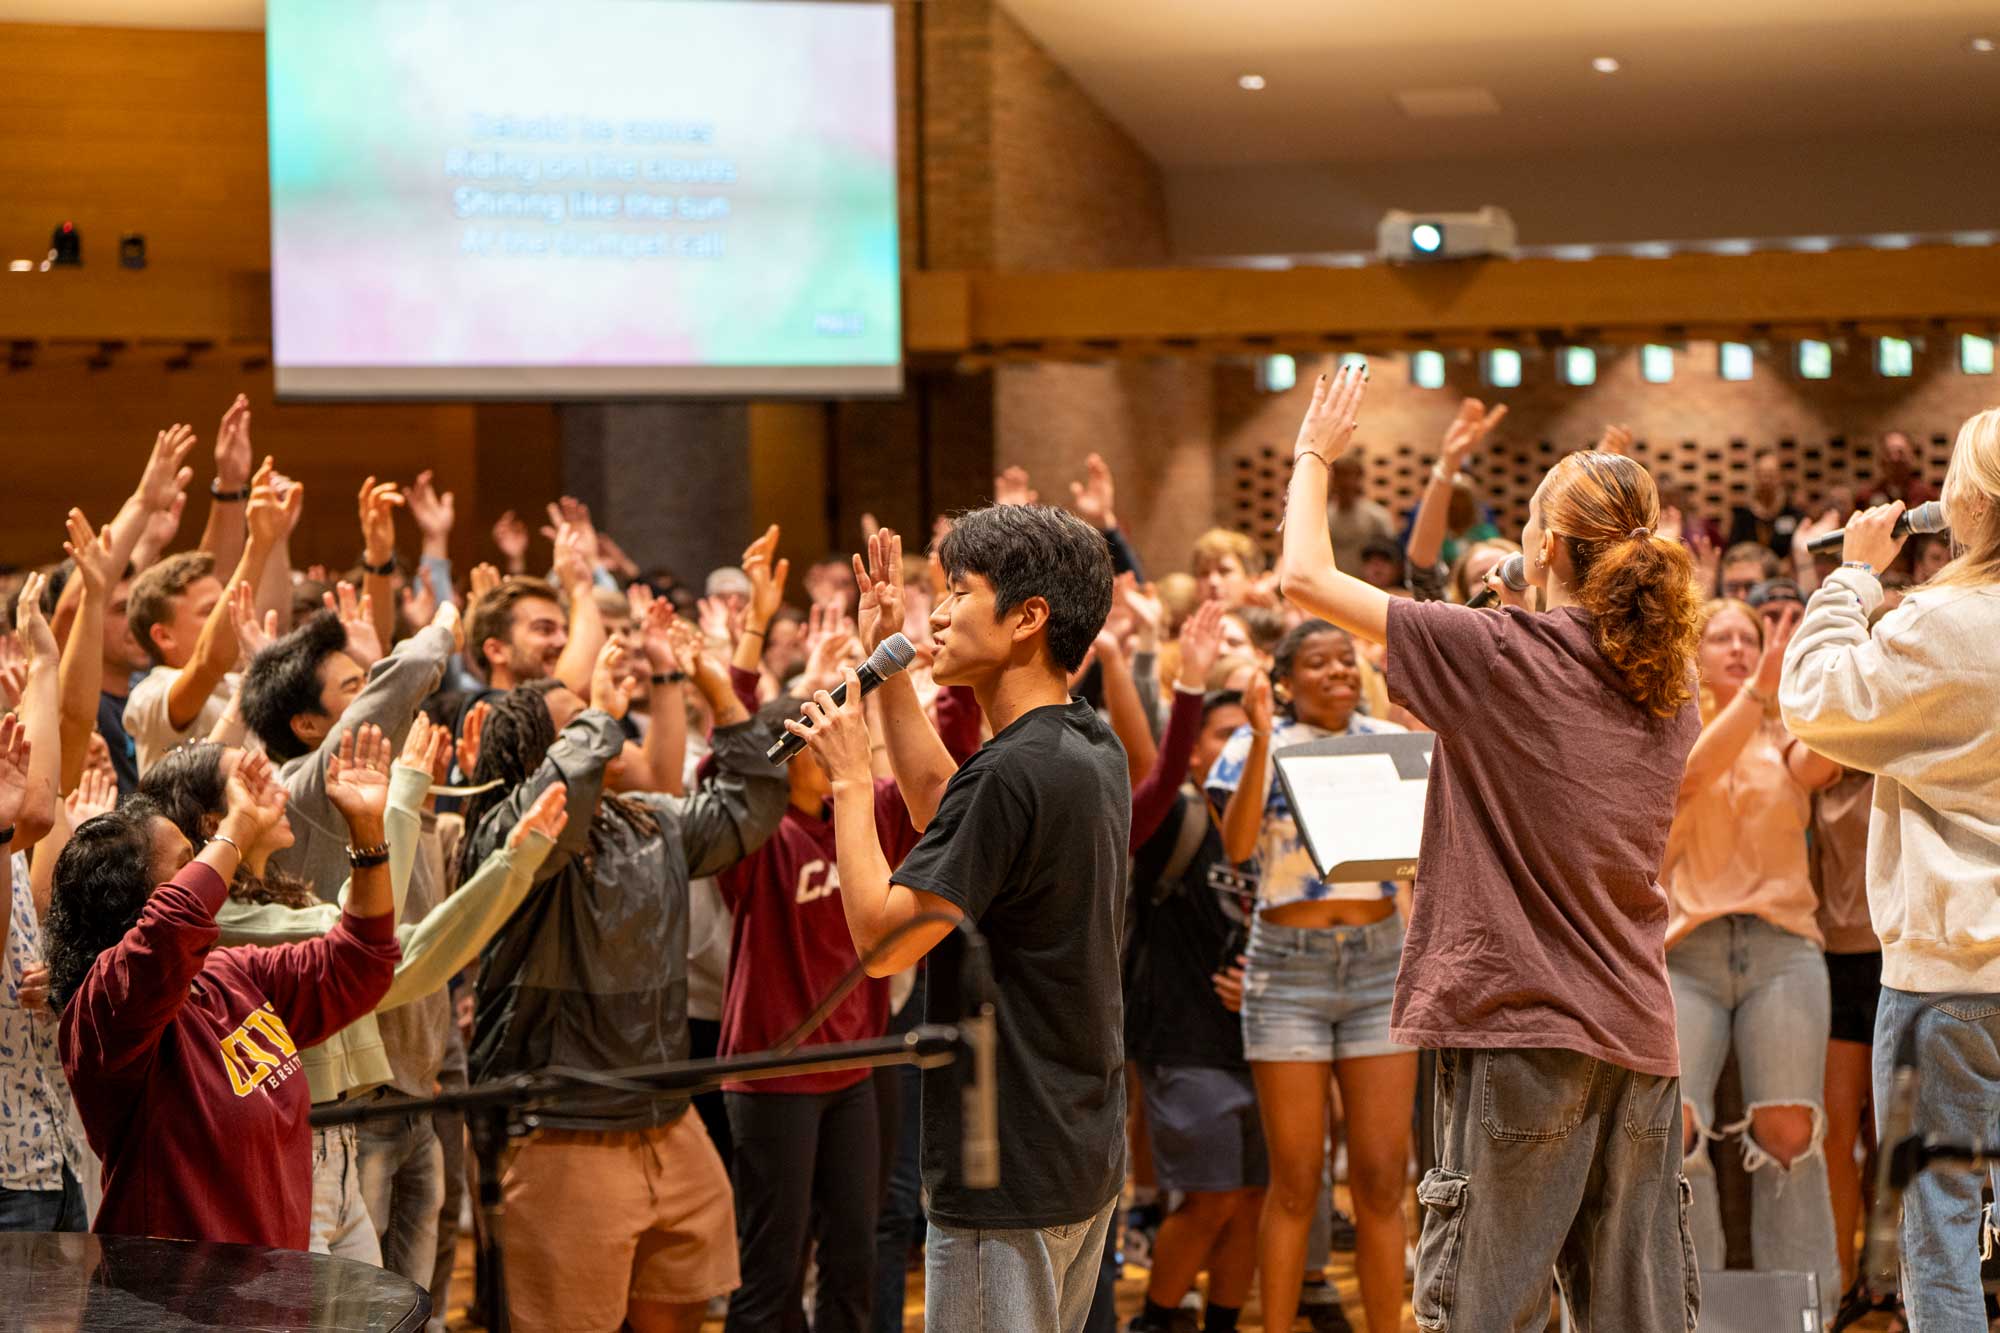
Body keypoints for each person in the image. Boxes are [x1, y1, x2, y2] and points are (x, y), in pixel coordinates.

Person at [1280, 365, 1707, 1330]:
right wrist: (1518, 596)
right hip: (1638, 1034)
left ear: (1549, 543)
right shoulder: (1666, 679)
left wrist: (1313, 453)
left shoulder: (1500, 657)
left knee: (1483, 1311)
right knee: (1637, 1317)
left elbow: (1304, 576)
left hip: (1519, 1030)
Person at [782, 512, 1127, 1333]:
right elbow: (949, 811)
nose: (934, 614)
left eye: (957, 593)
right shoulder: (1082, 739)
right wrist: (890, 672)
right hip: (1074, 1142)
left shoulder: (1011, 770)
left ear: (1027, 617)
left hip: (1003, 1157)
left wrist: (848, 779)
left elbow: (882, 940)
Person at [459, 637, 785, 1333]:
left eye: (600, 716)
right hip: (560, 1127)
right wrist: (600, 712)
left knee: (687, 1300)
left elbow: (749, 805)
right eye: (577, 720)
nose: (603, 724)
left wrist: (718, 691)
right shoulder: (502, 840)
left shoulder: (651, 821)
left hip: (665, 1119)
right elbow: (550, 816)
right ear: (535, 753)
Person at [1780, 407, 2000, 1332]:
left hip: (1949, 971)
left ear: (1969, 504)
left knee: (1940, 1220)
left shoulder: (1939, 623)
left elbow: (1815, 705)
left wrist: (1851, 576)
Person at [714, 608, 979, 1333]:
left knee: (855, 1262)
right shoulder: (759, 836)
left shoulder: (864, 813)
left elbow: (946, 782)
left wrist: (931, 671)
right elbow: (728, 767)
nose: (840, 733)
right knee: (771, 1272)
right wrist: (730, 675)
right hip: (772, 1075)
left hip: (856, 1069)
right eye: (821, 727)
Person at [47, 746, 400, 1248]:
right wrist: (236, 829)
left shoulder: (228, 975)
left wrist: (368, 835)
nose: (216, 866)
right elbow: (171, 925)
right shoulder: (103, 1009)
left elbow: (360, 960)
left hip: (271, 1297)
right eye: (189, 860)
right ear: (137, 901)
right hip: (172, 1309)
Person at [1206, 616, 1409, 1333]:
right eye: (1319, 665)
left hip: (1380, 962)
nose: (1339, 674)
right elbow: (1235, 848)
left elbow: (1420, 852)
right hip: (1286, 972)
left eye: (1347, 663)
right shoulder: (1252, 744)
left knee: (1383, 1179)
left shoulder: (1389, 744)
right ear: (1286, 683)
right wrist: (1262, 734)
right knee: (1296, 1181)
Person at [1662, 599, 1842, 1302]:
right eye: (1721, 637)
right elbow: (1689, 780)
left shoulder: (1785, 727)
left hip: (1783, 949)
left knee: (1790, 1131)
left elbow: (1823, 764)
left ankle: (1805, 1308)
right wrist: (1758, 688)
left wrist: (1820, 657)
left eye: (1750, 637)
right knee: (1671, 1133)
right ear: (1693, 652)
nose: (1738, 646)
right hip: (1686, 952)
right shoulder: (1671, 730)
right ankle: (1687, 1309)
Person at [1123, 604, 1269, 1333]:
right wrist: (1132, 660)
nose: (1239, 745)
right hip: (1185, 1045)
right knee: (1208, 1198)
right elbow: (1137, 742)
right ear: (1192, 752)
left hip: (1271, 1044)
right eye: (1223, 734)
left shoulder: (1279, 824)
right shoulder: (1172, 825)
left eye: (1250, 732)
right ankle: (1151, 1319)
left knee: (1251, 1198)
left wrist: (1270, 986)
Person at [123, 463, 298, 773]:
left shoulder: (233, 682)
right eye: (210, 611)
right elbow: (209, 660)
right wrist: (257, 544)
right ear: (164, 636)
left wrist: (274, 541)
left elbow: (274, 621)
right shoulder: (151, 693)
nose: (228, 618)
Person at [1325, 451, 1396, 579]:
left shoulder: (1377, 517)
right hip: (1330, 588)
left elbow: (1390, 562)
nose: (1345, 481)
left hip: (1365, 590)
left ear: (1359, 477)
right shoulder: (1322, 518)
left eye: (1350, 475)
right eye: (1340, 474)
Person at [1727, 452, 1805, 558]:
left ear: (1780, 477)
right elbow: (1733, 551)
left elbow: (1801, 548)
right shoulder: (1743, 516)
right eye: (1762, 475)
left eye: (1771, 475)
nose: (1766, 480)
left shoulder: (1793, 514)